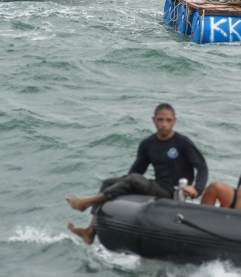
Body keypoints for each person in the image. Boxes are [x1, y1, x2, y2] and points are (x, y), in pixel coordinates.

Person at [65, 103, 209, 244]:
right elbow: (137, 170)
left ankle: (85, 203)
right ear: (154, 120)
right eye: (160, 120)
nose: (164, 124)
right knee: (109, 182)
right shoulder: (148, 144)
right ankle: (90, 232)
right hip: (159, 187)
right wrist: (122, 184)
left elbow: (202, 167)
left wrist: (197, 189)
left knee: (134, 180)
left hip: (173, 191)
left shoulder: (182, 142)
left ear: (174, 121)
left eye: (168, 120)